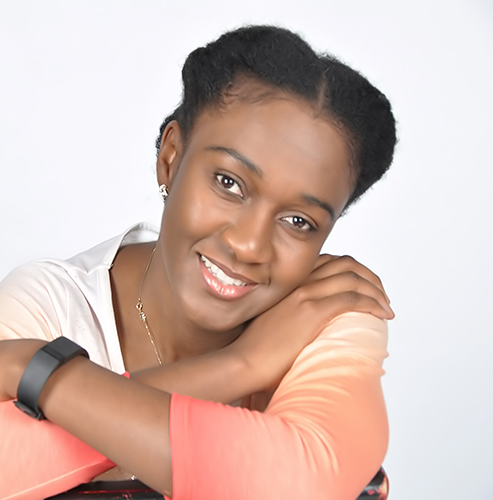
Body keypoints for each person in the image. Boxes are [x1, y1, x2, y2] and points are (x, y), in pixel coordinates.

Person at [0, 25, 396, 499]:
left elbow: (300, 481)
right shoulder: (51, 304)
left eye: (298, 221)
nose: (249, 246)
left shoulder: (326, 312)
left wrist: (39, 373)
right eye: (229, 183)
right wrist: (240, 366)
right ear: (170, 158)